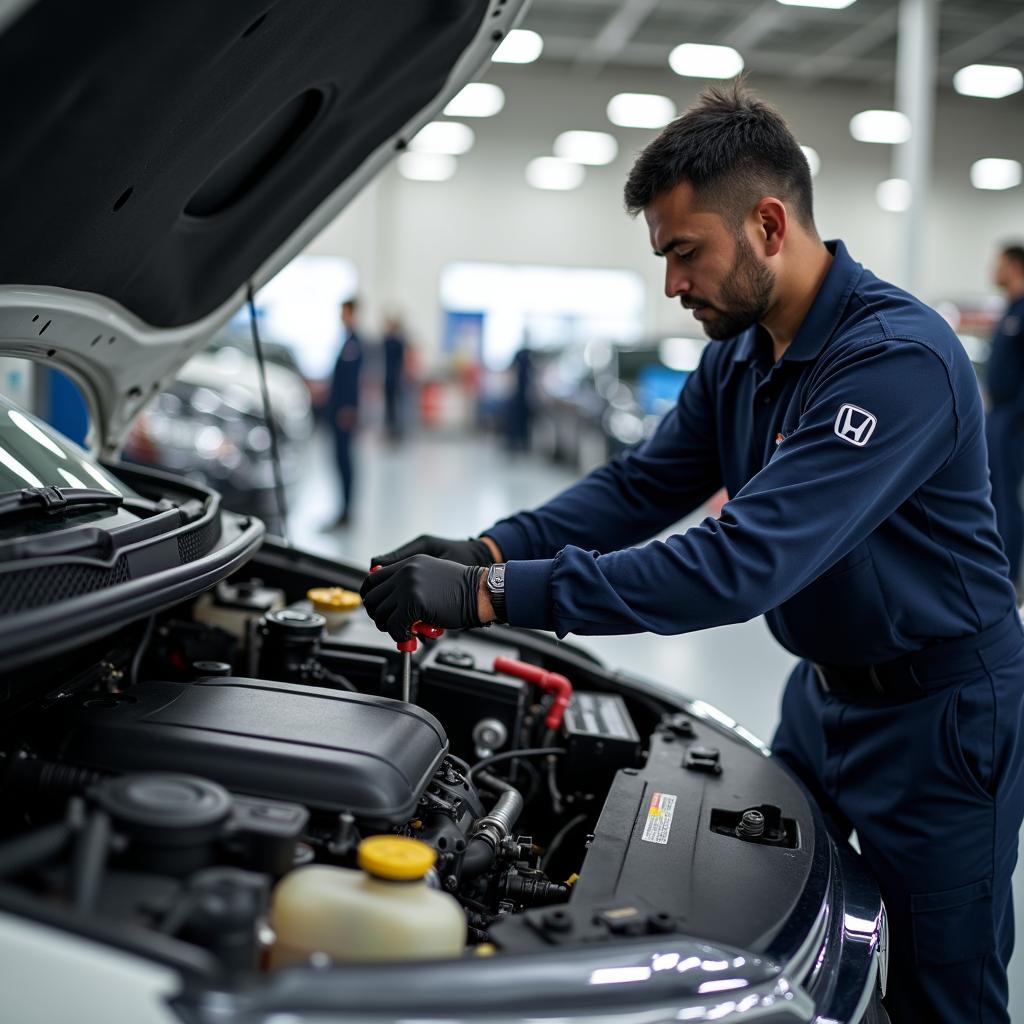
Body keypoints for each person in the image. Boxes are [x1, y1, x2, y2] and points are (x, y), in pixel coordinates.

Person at [360, 82, 1024, 1022]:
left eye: (684, 252)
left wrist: (487, 594)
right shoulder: (741, 353)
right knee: (803, 957)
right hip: (823, 696)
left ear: (766, 222)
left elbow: (740, 564)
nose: (672, 284)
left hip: (944, 719)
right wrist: (487, 544)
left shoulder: (896, 360)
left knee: (939, 992)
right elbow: (638, 487)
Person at [985, 243, 1024, 592]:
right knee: (995, 495)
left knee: (1008, 499)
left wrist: (1016, 415)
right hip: (998, 414)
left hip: (1014, 419)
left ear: (1012, 264)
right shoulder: (1010, 309)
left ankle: (1009, 576)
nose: (991, 270)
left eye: (996, 263)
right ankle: (999, 568)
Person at [326, 297, 362, 527]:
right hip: (337, 410)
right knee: (339, 461)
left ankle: (347, 511)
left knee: (345, 461)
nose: (341, 316)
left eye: (344, 312)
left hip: (344, 414)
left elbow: (353, 381)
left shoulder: (354, 343)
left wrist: (350, 409)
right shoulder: (346, 341)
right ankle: (343, 509)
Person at [381, 315, 408, 442]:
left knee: (398, 406)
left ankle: (398, 430)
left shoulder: (398, 342)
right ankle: (389, 429)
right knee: (388, 407)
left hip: (396, 379)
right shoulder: (386, 341)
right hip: (387, 379)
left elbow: (402, 361)